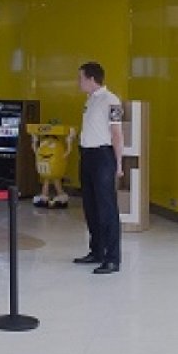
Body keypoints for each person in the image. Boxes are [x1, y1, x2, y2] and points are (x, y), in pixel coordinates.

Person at [73, 62, 124, 274]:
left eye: (81, 78)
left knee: (106, 208)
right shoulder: (90, 100)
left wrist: (118, 163)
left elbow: (117, 134)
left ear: (92, 79)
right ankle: (97, 251)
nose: (79, 82)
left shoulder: (111, 101)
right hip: (87, 155)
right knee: (90, 206)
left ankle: (112, 258)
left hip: (103, 156)